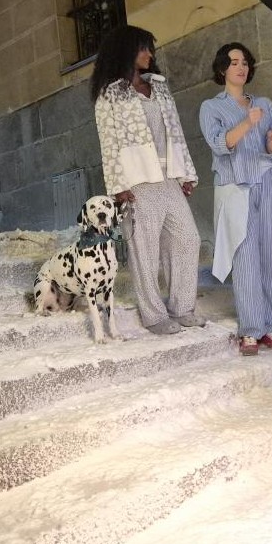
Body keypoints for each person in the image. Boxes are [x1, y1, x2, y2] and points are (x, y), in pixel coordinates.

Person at [92, 25, 205, 336]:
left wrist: (186, 173)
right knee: (144, 250)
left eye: (149, 48)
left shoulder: (160, 87)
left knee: (188, 238)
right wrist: (118, 187)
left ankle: (182, 307)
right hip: (137, 183)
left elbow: (176, 132)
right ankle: (154, 316)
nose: (149, 54)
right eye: (143, 48)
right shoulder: (110, 94)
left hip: (169, 179)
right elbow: (108, 144)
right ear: (126, 50)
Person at [199, 42, 272, 356]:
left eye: (245, 62)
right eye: (234, 62)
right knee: (244, 257)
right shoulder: (211, 107)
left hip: (266, 182)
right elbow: (219, 144)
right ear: (222, 69)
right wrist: (247, 122)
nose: (241, 67)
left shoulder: (264, 104)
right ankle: (251, 329)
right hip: (235, 187)